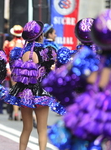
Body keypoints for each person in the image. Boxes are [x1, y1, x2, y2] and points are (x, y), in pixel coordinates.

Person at [47, 9, 111, 149]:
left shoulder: (81, 60)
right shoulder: (89, 60)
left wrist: (75, 103)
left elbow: (53, 84)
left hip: (86, 121)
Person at [4, 20, 65, 150]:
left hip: (25, 92)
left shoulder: (19, 52)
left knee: (26, 128)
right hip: (41, 93)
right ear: (41, 36)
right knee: (42, 129)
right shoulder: (48, 51)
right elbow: (52, 70)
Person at [3, 24, 24, 120]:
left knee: (15, 91)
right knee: (23, 91)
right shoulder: (25, 44)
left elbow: (5, 58)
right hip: (24, 71)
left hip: (13, 70)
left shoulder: (8, 44)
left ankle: (15, 113)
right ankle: (24, 112)